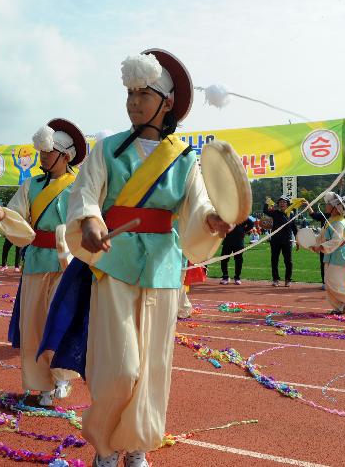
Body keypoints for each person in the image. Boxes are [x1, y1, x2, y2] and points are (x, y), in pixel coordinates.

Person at [52, 49, 228, 467]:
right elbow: (85, 194)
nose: (133, 102)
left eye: (142, 94)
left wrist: (215, 219)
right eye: (129, 94)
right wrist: (90, 219)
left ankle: (137, 446)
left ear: (166, 102)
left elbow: (198, 208)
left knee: (152, 368)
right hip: (114, 264)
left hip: (164, 268)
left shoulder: (186, 157)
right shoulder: (106, 149)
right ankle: (105, 444)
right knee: (119, 367)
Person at [0, 118, 87, 408]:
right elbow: (17, 216)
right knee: (33, 326)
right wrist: (2, 215)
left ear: (65, 155)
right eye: (41, 152)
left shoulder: (79, 184)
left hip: (67, 264)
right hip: (35, 261)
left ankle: (62, 378)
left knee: (60, 322)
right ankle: (40, 385)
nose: (42, 157)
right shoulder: (30, 185)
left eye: (48, 152)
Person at [312, 192, 345, 314]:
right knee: (329, 281)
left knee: (334, 281)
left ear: (335, 207)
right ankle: (339, 306)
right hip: (330, 254)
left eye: (328, 204)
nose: (326, 206)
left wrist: (321, 247)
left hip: (339, 255)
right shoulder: (331, 220)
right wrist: (313, 243)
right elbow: (322, 237)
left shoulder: (339, 223)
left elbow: (336, 240)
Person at [263, 196, 298, 286]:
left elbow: (294, 227)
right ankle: (275, 279)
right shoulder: (275, 213)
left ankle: (288, 280)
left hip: (287, 241)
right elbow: (265, 211)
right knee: (274, 260)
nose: (282, 203)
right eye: (280, 202)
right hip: (275, 241)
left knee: (288, 261)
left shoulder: (291, 214)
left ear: (287, 204)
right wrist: (267, 202)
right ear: (278, 204)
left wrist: (298, 239)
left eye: (284, 202)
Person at [219, 217, 254, 285]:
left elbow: (251, 224)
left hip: (238, 242)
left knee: (238, 260)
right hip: (228, 241)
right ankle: (225, 277)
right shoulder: (227, 215)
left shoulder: (242, 216)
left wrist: (243, 230)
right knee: (224, 259)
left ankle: (237, 278)